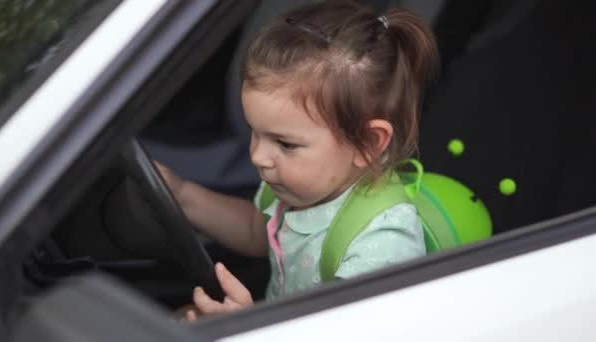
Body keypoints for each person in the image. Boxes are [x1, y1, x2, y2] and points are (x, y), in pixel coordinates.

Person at [158, 0, 438, 320]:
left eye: (285, 144)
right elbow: (257, 230)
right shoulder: (301, 186)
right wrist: (181, 193)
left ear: (368, 145)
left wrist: (248, 324)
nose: (258, 157)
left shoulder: (382, 246)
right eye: (255, 132)